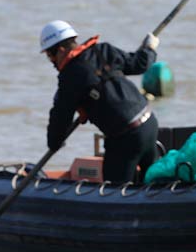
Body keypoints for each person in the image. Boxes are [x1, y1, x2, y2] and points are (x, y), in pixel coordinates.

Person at [40, 20, 160, 183]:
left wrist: (54, 143)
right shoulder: (103, 50)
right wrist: (149, 49)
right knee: (154, 182)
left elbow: (60, 117)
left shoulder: (69, 77)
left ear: (61, 50)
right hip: (149, 124)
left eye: (50, 56)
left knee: (115, 192)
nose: (52, 63)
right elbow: (139, 64)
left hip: (125, 138)